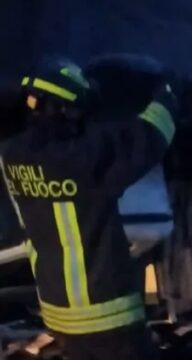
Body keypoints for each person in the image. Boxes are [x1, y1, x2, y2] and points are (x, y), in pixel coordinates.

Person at [1, 58, 177, 359]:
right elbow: (148, 138)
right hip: (105, 313)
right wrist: (169, 96)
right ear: (63, 109)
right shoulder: (83, 154)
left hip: (59, 313)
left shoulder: (11, 156)